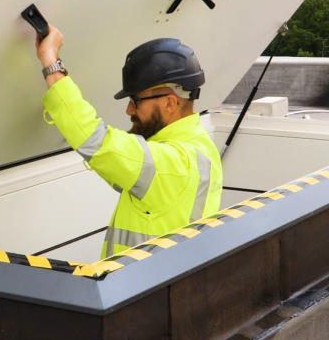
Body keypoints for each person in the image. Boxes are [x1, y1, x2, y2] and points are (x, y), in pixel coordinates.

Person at [36, 27, 223, 258]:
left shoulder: (171, 165)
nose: (128, 110)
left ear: (169, 103)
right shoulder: (201, 145)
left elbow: (98, 141)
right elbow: (116, 164)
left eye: (136, 101)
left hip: (142, 289)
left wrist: (50, 61)